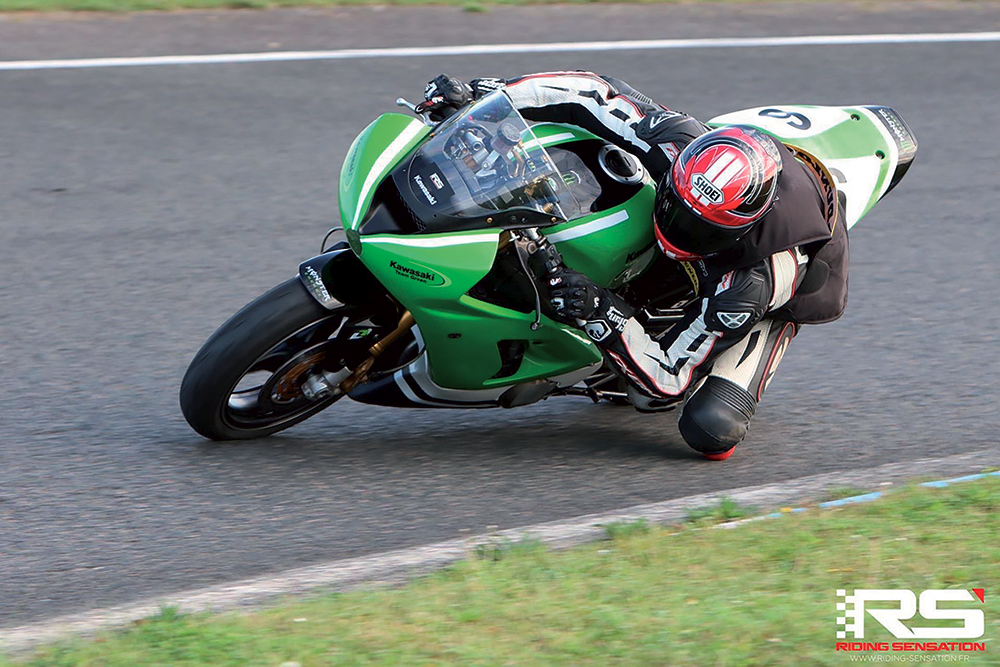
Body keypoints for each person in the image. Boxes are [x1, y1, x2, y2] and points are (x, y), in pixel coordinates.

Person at [422, 72, 848, 460]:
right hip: (729, 178)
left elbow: (668, 378)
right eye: (676, 208)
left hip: (791, 279)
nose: (677, 226)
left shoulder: (753, 280)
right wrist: (487, 96)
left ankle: (766, 336)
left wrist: (599, 309)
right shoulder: (678, 141)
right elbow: (590, 93)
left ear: (734, 232)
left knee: (710, 428)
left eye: (698, 229)